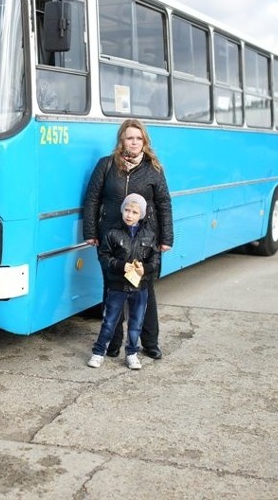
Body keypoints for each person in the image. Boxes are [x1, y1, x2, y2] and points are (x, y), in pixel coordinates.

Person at [82, 118, 174, 360]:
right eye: (129, 137)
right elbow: (92, 199)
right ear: (121, 140)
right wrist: (91, 232)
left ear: (144, 142)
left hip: (144, 240)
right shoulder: (106, 165)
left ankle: (150, 343)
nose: (134, 142)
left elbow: (164, 203)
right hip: (112, 238)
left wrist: (166, 238)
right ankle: (112, 346)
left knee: (145, 290)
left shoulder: (153, 168)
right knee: (112, 289)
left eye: (138, 138)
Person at [87, 194, 159, 370]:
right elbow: (104, 256)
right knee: (109, 321)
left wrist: (146, 270)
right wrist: (120, 265)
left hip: (139, 287)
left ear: (141, 214)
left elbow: (155, 259)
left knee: (136, 324)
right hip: (117, 286)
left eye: (134, 212)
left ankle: (132, 353)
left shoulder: (149, 236)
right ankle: (98, 352)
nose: (129, 215)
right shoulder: (113, 233)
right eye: (127, 210)